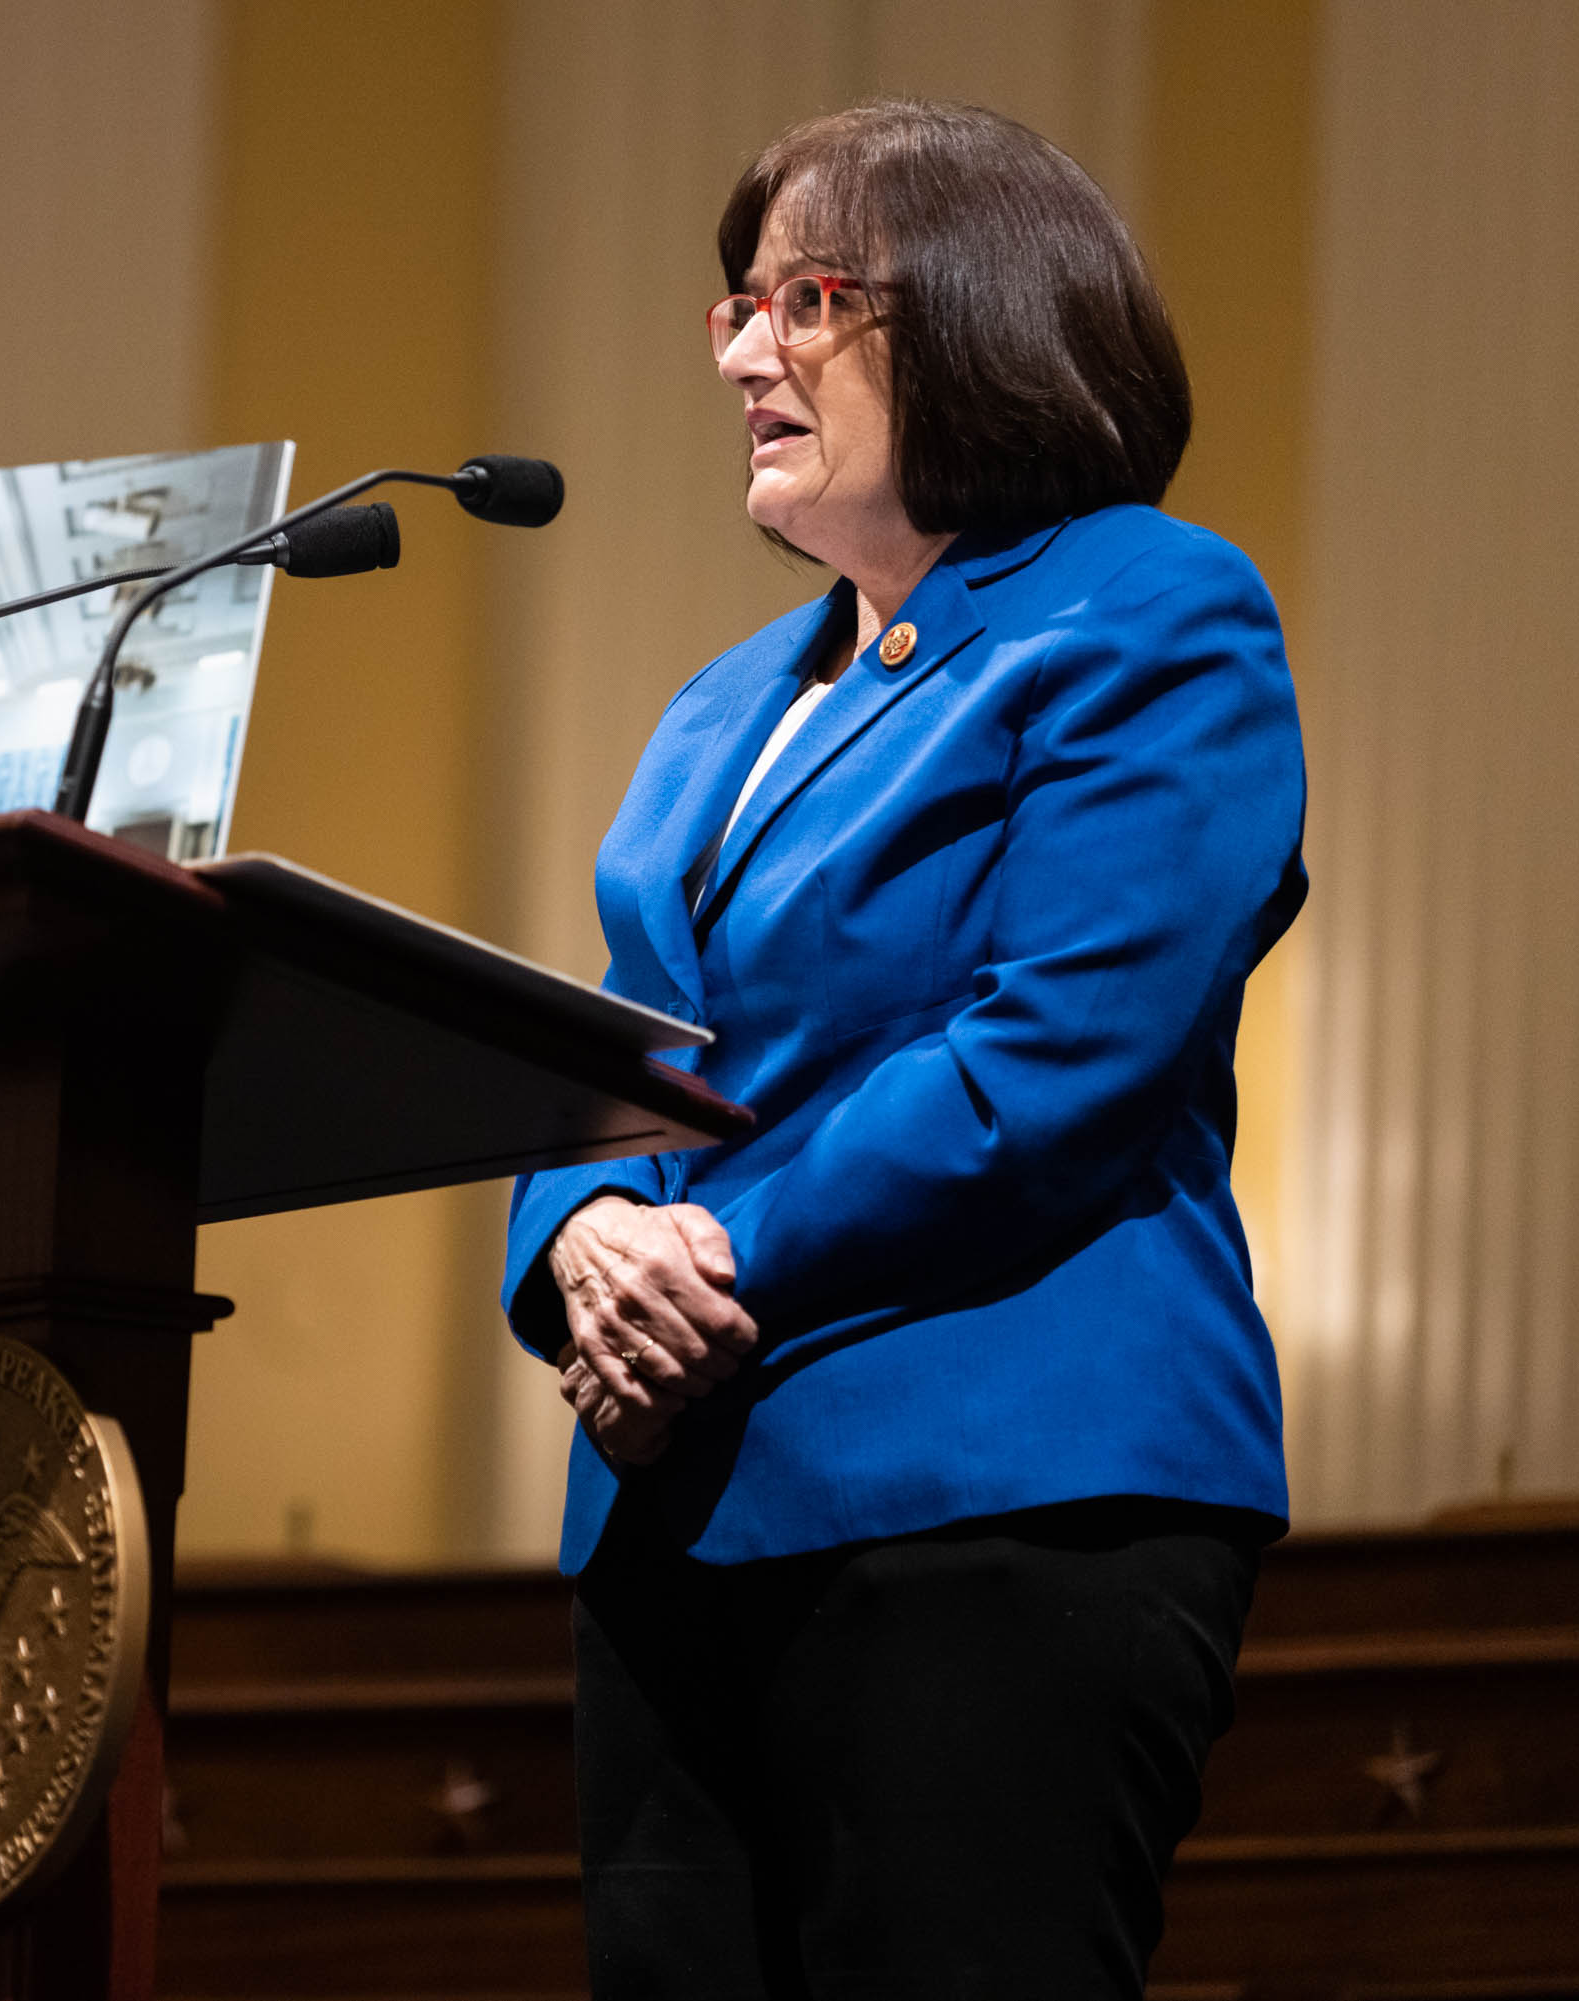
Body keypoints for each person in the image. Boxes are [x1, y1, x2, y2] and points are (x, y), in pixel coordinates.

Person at [501, 101, 1306, 1997]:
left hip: (1001, 1489)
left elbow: (1066, 1048)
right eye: (737, 306)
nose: (743, 351)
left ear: (980, 314)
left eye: (808, 298)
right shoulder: (724, 703)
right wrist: (580, 1229)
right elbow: (614, 1034)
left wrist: (714, 1247)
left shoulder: (1149, 605)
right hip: (674, 1513)